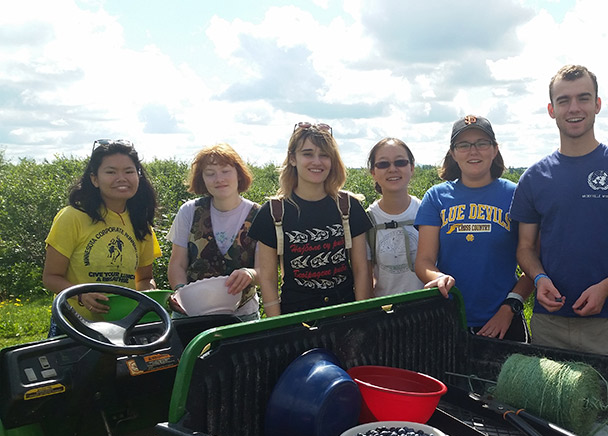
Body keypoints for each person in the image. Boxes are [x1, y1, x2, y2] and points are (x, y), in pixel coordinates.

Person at [510, 65, 608, 358]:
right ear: (552, 109)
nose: (574, 108)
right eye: (564, 100)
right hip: (548, 321)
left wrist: (605, 288)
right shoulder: (534, 177)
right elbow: (525, 248)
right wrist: (539, 279)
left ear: (598, 105)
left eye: (583, 98)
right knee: (543, 404)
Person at [414, 115, 532, 341]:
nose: (473, 151)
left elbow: (532, 262)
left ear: (495, 150)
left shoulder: (517, 195)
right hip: (449, 317)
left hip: (503, 319)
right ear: (453, 153)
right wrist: (437, 277)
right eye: (464, 145)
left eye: (482, 143)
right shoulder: (436, 196)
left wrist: (509, 308)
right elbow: (424, 261)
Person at [248, 122, 372, 316]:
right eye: (307, 154)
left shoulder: (348, 206)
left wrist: (361, 315)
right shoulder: (273, 212)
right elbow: (269, 279)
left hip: (344, 312)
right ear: (292, 159)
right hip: (297, 316)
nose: (317, 161)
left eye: (324, 155)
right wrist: (275, 327)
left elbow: (361, 268)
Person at [42, 139, 161, 334]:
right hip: (75, 326)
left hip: (124, 326)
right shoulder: (72, 217)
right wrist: (81, 294)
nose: (121, 178)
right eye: (111, 172)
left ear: (138, 176)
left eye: (129, 171)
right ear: (94, 179)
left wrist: (151, 293)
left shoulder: (141, 224)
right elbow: (50, 277)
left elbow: (144, 278)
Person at [166, 143, 260, 320]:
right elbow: (177, 263)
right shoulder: (189, 211)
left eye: (225, 171)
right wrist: (180, 292)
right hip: (192, 313)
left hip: (242, 315)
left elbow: (266, 270)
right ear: (202, 179)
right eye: (210, 174)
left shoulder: (258, 215)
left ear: (239, 175)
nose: (219, 179)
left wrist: (250, 274)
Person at [365, 138, 424, 297]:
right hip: (386, 312)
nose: (392, 169)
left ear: (411, 168)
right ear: (373, 173)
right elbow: (364, 275)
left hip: (428, 309)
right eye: (383, 164)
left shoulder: (427, 211)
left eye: (400, 162)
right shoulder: (368, 219)